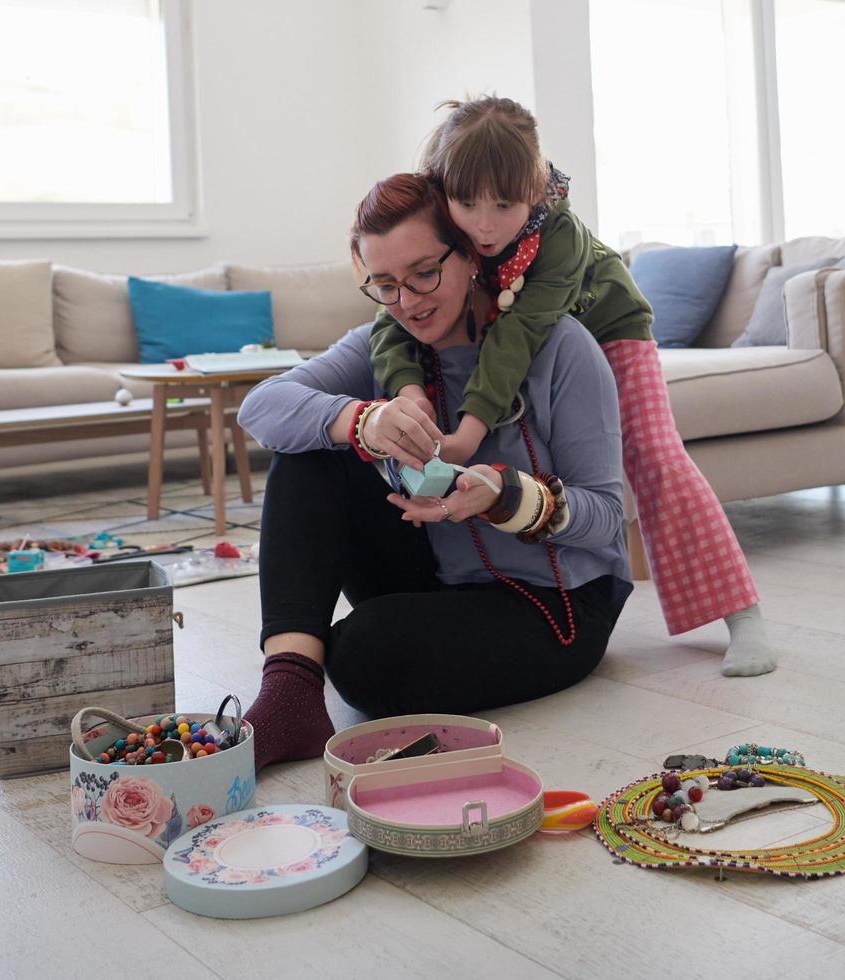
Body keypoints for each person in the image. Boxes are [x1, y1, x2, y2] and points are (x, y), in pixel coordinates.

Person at [367, 95, 781, 677]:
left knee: (655, 457)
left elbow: (522, 332)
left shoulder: (557, 238)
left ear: (536, 190)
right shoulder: (441, 225)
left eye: (504, 205)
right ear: (444, 191)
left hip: (610, 334)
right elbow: (391, 316)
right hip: (540, 353)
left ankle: (742, 614)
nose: (484, 224)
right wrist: (409, 391)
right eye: (468, 205)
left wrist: (466, 432)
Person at [234, 172, 634, 769]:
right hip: (439, 576)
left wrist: (506, 497)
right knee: (306, 449)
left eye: (425, 273)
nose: (409, 302)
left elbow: (607, 518)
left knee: (364, 656)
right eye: (386, 284)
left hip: (556, 603)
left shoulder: (559, 347)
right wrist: (362, 421)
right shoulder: (382, 341)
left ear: (471, 252)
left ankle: (327, 667)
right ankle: (289, 692)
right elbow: (260, 407)